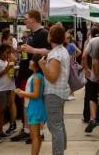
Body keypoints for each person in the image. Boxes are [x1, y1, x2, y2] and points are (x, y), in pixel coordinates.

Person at [13, 10, 51, 142]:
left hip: (35, 73)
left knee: (34, 102)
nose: (24, 20)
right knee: (25, 103)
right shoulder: (31, 34)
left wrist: (32, 50)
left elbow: (50, 51)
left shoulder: (44, 33)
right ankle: (27, 129)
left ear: (34, 19)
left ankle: (37, 132)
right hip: (25, 72)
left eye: (26, 18)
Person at [38, 24, 70, 155]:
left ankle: (58, 152)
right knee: (59, 124)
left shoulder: (55, 54)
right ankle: (61, 149)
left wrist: (42, 65)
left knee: (55, 126)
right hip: (60, 92)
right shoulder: (62, 51)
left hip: (53, 93)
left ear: (51, 37)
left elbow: (52, 77)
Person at [15, 54, 47, 155]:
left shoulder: (37, 77)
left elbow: (36, 94)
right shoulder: (35, 76)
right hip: (33, 106)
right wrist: (23, 92)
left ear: (37, 64)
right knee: (36, 136)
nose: (30, 62)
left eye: (32, 60)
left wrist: (22, 93)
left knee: (35, 137)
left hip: (35, 107)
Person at [0, 44, 15, 143]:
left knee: (2, 111)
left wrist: (12, 72)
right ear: (1, 52)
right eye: (7, 53)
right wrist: (6, 70)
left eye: (10, 53)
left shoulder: (6, 62)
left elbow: (8, 75)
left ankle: (0, 131)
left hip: (7, 89)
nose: (8, 55)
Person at [82, 25, 99, 133]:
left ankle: (92, 118)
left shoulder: (92, 41)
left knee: (91, 97)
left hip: (93, 75)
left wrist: (86, 69)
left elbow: (84, 56)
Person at [1, 29, 18, 135]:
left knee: (11, 102)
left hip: (10, 79)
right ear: (4, 40)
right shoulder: (2, 50)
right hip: (1, 81)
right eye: (10, 39)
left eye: (12, 39)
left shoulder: (10, 51)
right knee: (5, 104)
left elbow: (14, 60)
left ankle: (13, 122)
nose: (12, 41)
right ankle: (8, 123)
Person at [64, 31, 82, 101]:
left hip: (70, 64)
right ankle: (69, 94)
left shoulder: (71, 45)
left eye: (68, 38)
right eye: (66, 38)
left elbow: (79, 52)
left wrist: (73, 57)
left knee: (71, 78)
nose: (67, 39)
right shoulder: (63, 45)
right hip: (65, 64)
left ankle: (72, 94)